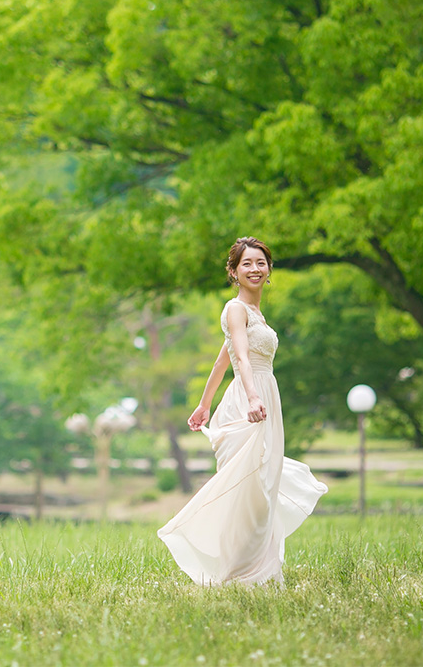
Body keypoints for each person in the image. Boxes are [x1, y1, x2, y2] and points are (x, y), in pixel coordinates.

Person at [157, 236, 327, 586]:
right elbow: (242, 360)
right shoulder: (235, 309)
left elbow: (223, 359)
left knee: (265, 486)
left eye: (260, 262)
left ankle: (262, 572)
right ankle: (239, 574)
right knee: (248, 489)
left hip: (266, 396)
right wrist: (251, 397)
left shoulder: (255, 315)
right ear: (234, 272)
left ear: (269, 270)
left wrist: (204, 404)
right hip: (249, 400)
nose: (255, 269)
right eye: (246, 263)